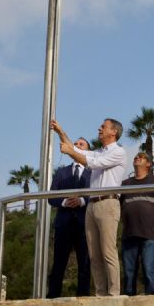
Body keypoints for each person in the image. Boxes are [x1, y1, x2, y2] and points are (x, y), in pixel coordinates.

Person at [51, 118, 127, 296]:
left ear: (113, 132)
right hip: (92, 205)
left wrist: (70, 150)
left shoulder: (118, 152)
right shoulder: (99, 151)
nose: (99, 129)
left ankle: (114, 293)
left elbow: (91, 163)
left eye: (103, 127)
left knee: (108, 251)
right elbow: (77, 151)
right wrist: (60, 132)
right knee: (94, 255)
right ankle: (100, 292)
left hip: (108, 203)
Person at [47, 137, 92, 298]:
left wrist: (81, 201)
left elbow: (93, 197)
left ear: (86, 151)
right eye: (76, 144)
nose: (77, 146)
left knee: (85, 263)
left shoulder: (92, 174)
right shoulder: (61, 172)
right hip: (63, 223)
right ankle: (52, 296)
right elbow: (50, 198)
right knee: (59, 263)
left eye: (82, 144)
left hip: (83, 224)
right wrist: (65, 201)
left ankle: (83, 296)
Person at [120, 152, 154, 295]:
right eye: (135, 156)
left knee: (149, 270)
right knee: (129, 274)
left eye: (141, 157)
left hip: (150, 234)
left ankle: (152, 302)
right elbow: (119, 207)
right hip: (129, 234)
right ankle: (128, 303)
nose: (137, 158)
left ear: (148, 164)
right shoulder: (125, 184)